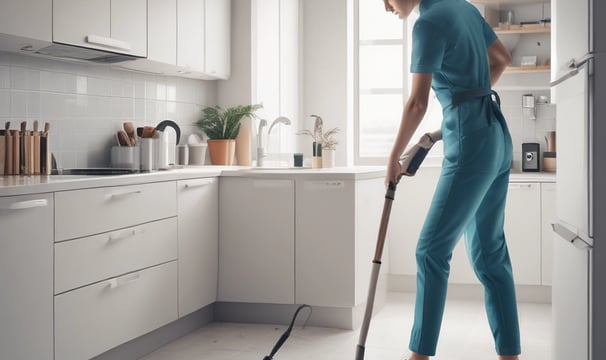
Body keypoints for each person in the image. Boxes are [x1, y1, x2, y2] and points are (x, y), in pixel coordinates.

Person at [382, 0, 520, 360]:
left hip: (472, 142)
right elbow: (502, 59)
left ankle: (419, 356)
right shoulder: (466, 8)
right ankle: (511, 355)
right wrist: (466, 104)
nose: (385, 6)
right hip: (497, 135)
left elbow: (417, 103)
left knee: (430, 252)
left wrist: (391, 157)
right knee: (490, 255)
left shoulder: (427, 24)